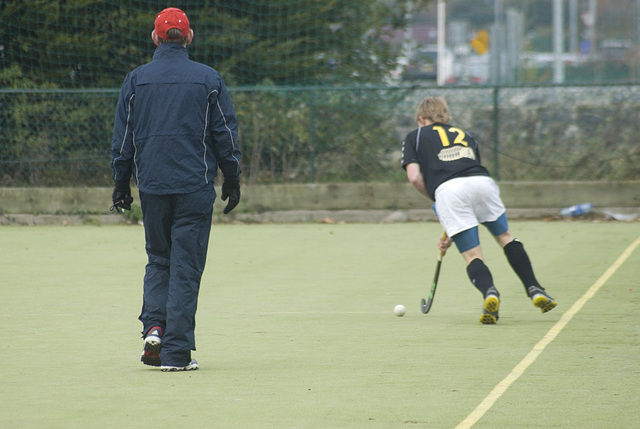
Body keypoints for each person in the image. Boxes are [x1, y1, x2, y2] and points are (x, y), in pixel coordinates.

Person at [110, 7, 242, 370]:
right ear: (189, 36)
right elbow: (225, 135)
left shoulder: (136, 80)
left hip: (152, 186)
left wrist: (121, 184)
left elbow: (123, 141)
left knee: (158, 260)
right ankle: (177, 352)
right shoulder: (208, 78)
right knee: (185, 266)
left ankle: (154, 328)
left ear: (155, 37)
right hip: (194, 187)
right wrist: (232, 178)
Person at [401, 97, 556, 324]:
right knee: (505, 237)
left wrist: (441, 205)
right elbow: (465, 179)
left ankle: (490, 293)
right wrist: (448, 229)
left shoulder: (415, 136)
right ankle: (535, 288)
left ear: (421, 119)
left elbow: (415, 177)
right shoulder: (466, 135)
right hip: (482, 183)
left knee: (473, 255)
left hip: (448, 191)